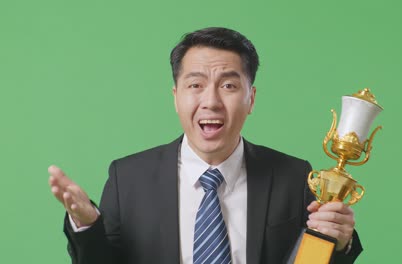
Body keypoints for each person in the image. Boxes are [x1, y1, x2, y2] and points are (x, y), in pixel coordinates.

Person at [48, 27, 362, 264]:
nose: (210, 101)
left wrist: (339, 241)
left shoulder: (295, 176)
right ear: (175, 97)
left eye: (228, 85)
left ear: (250, 99)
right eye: (195, 85)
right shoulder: (127, 178)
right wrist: (86, 226)